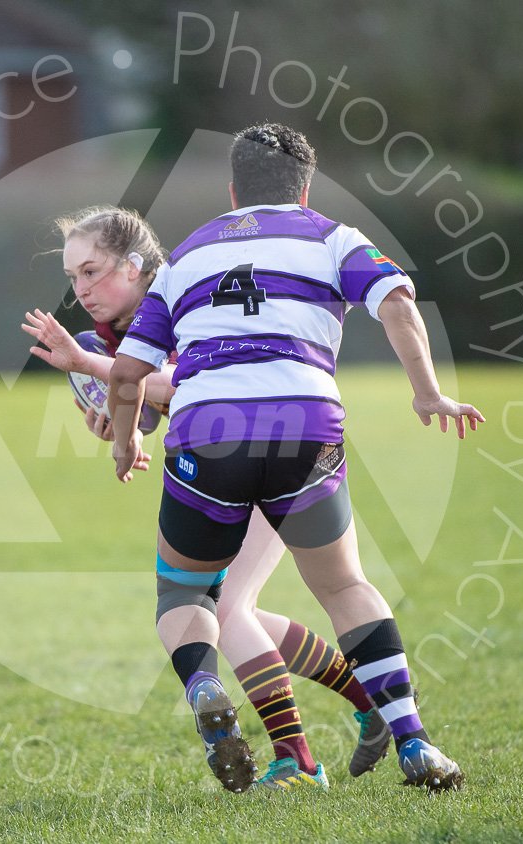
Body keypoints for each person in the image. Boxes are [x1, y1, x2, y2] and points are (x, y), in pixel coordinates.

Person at [107, 123, 484, 796]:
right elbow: (397, 303)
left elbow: (130, 372)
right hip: (305, 422)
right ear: (305, 189)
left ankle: (203, 686)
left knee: (185, 590)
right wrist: (427, 393)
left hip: (205, 432)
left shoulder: (189, 254)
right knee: (342, 587)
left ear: (232, 191)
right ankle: (415, 742)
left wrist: (126, 439)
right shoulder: (333, 236)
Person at [21, 205, 393, 791]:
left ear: (134, 265)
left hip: (272, 452)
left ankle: (297, 758)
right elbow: (148, 404)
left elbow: (181, 381)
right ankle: (371, 701)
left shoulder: (182, 293)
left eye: (91, 271)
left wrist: (95, 368)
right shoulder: (113, 335)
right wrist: (119, 423)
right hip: (222, 463)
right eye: (72, 278)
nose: (81, 289)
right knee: (228, 610)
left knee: (222, 611)